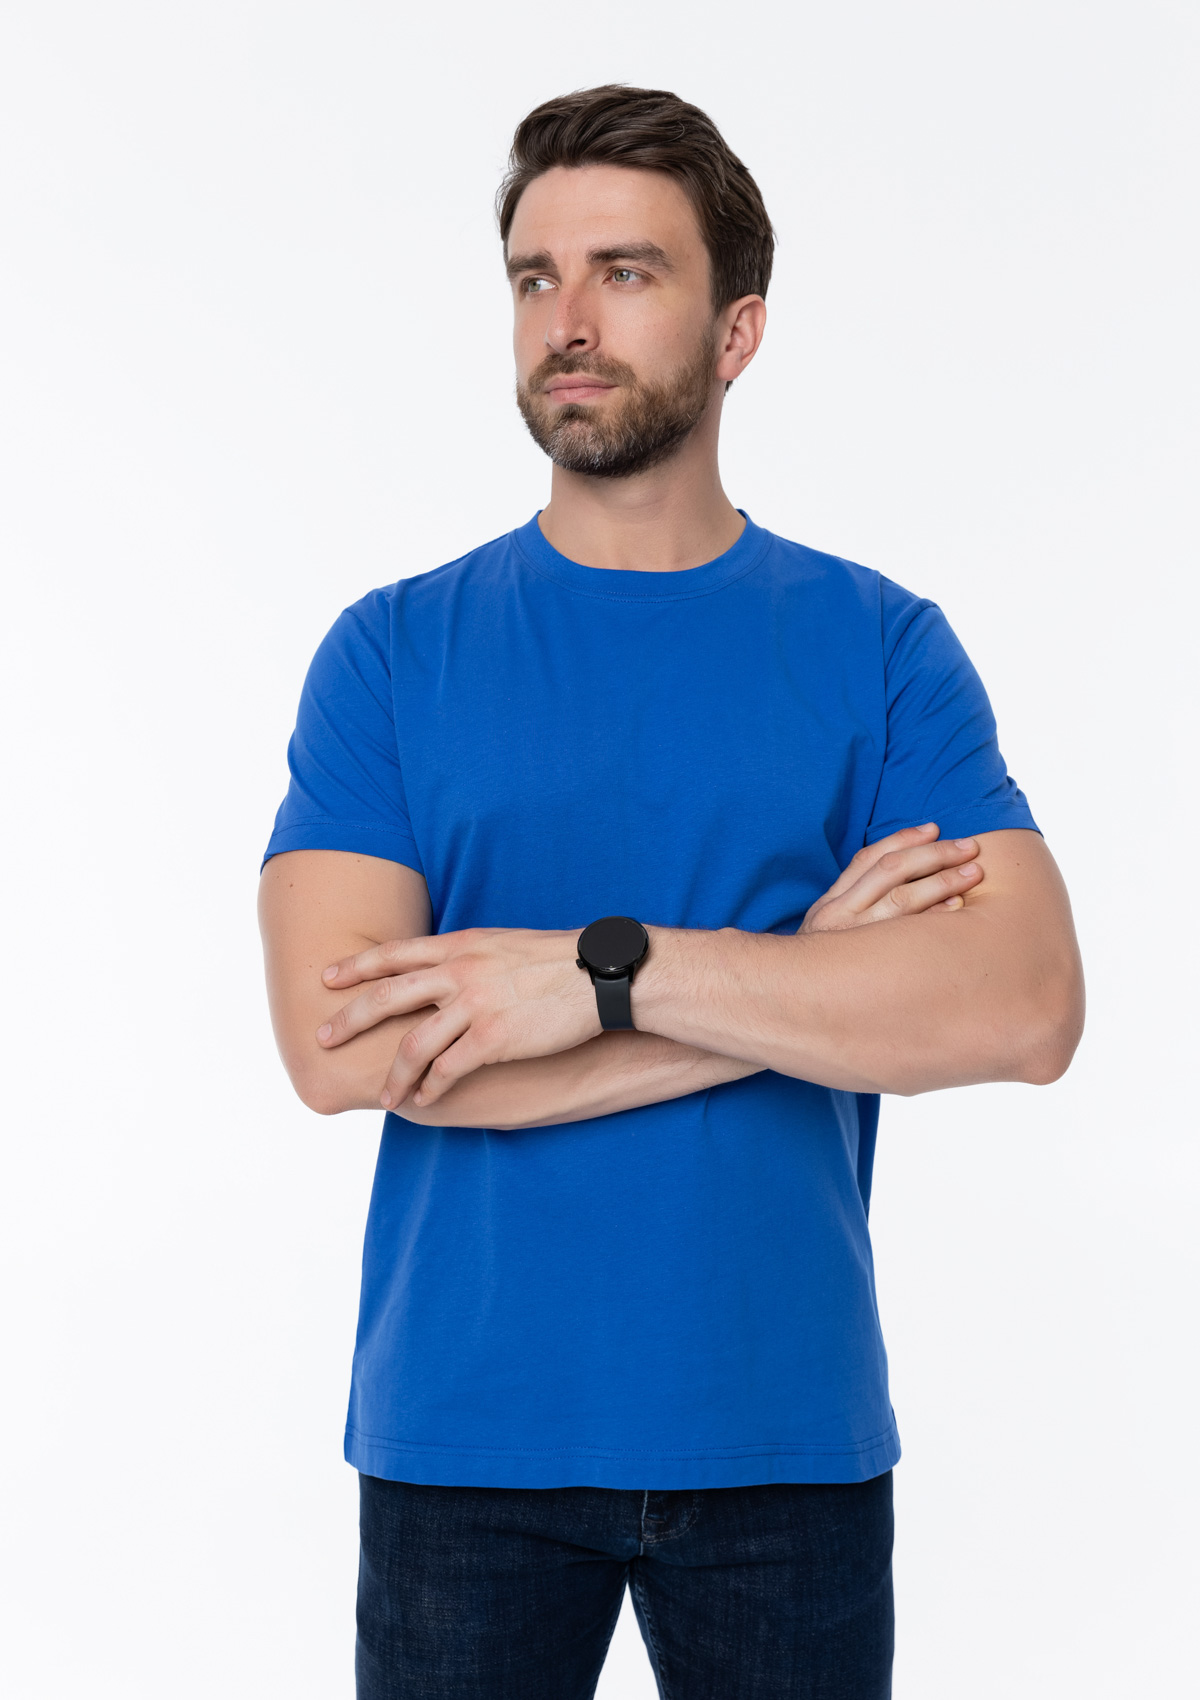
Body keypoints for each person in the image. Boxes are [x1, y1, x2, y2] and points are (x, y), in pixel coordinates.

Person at [258, 84, 1084, 1700]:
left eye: (625, 272)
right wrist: (793, 986)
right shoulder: (392, 652)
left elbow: (1027, 1008)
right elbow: (339, 1050)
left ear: (738, 330)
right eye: (535, 277)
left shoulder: (879, 645)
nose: (566, 320)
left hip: (782, 1433)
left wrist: (593, 978)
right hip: (464, 1440)